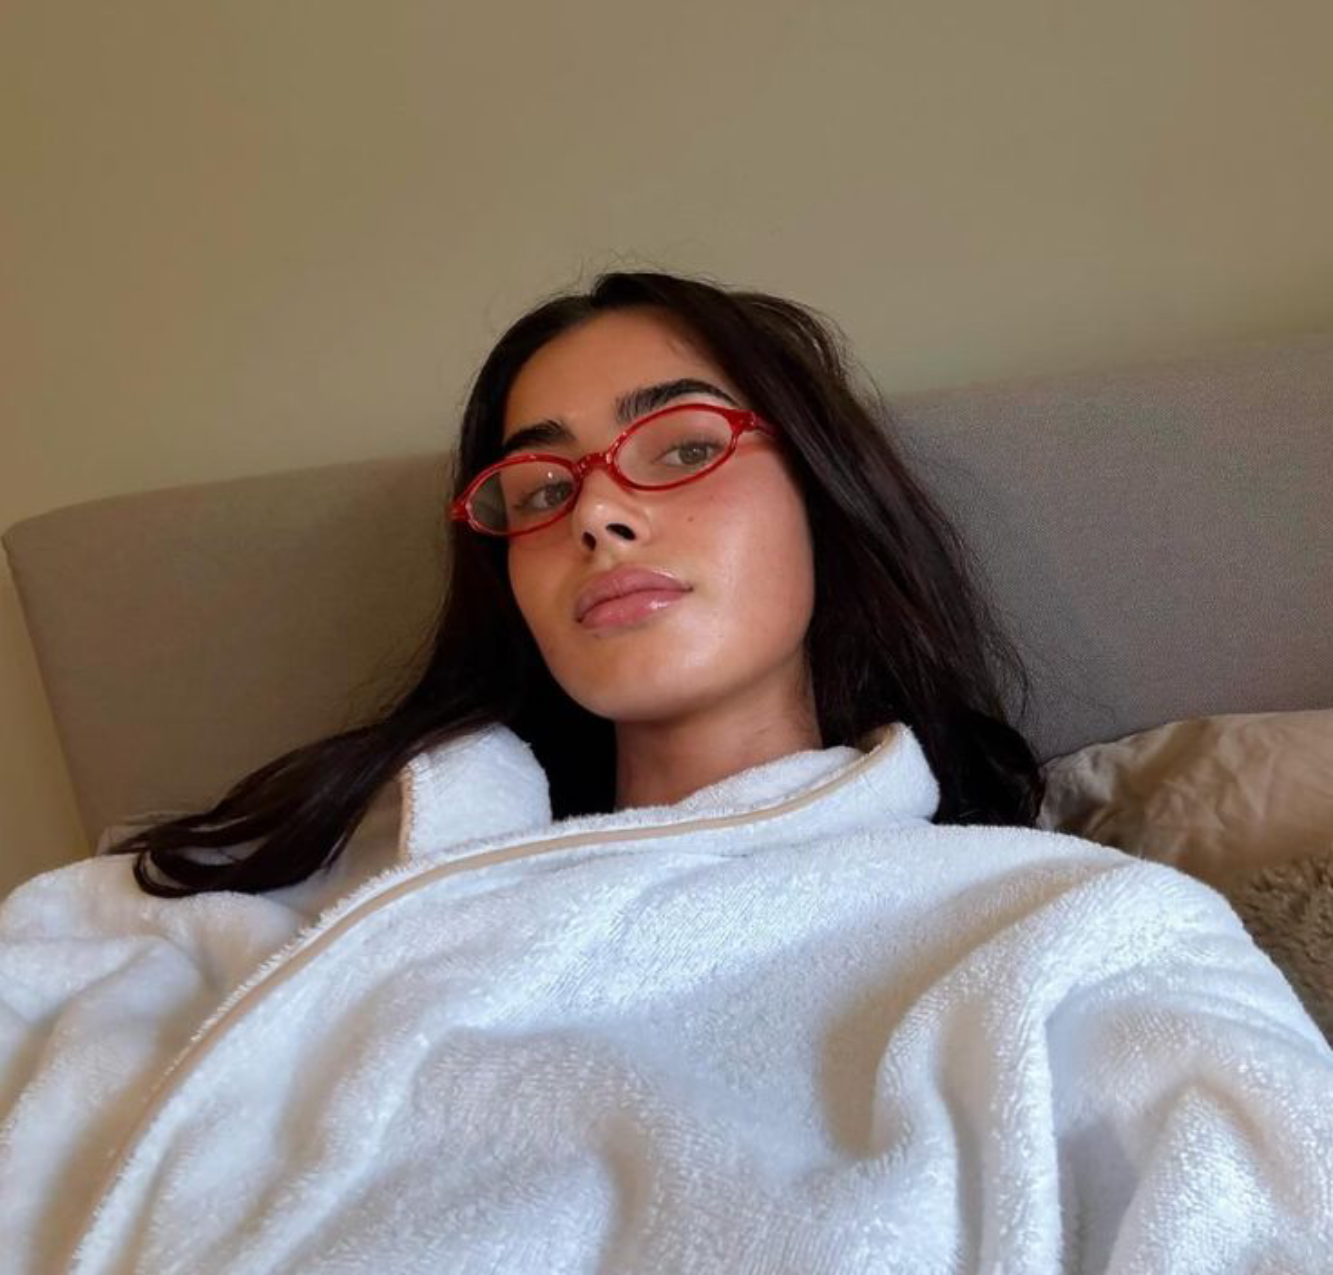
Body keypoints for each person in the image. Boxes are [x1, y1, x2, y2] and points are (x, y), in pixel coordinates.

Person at [2, 270, 1330, 1273]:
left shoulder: (1068, 931)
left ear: (823, 497)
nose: (596, 509)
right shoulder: (306, 893)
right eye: (536, 489)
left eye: (684, 447)